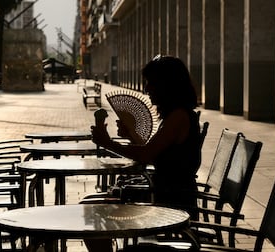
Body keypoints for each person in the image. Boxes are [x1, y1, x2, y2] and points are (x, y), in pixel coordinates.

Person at [85, 55, 201, 252]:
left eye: (151, 83)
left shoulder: (178, 117)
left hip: (170, 200)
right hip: (164, 193)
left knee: (90, 210)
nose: (146, 88)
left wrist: (108, 143)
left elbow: (146, 155)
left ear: (166, 85)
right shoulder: (175, 115)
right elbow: (156, 152)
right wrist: (132, 137)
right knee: (88, 204)